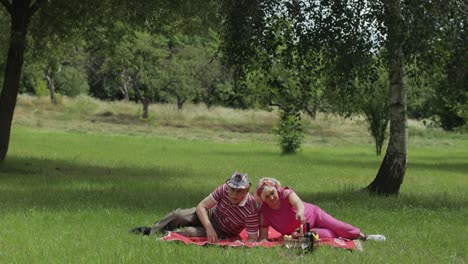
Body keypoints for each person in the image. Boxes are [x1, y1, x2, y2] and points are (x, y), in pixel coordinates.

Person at [129, 172, 259, 242]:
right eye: (232, 189)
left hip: (223, 231)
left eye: (239, 191)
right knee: (178, 215)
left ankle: (165, 237)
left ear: (247, 189)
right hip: (211, 214)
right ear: (228, 186)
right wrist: (209, 227)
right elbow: (201, 206)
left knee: (189, 233)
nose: (234, 194)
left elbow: (253, 238)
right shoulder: (224, 188)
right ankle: (151, 231)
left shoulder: (251, 208)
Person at [255, 177, 386, 241]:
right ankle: (338, 236)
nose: (271, 197)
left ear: (276, 190)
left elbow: (299, 204)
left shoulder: (285, 193)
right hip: (299, 232)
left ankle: (366, 237)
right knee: (327, 236)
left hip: (314, 215)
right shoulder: (264, 212)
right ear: (263, 199)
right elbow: (263, 236)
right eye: (267, 196)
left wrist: (300, 212)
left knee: (339, 227)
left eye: (272, 193)